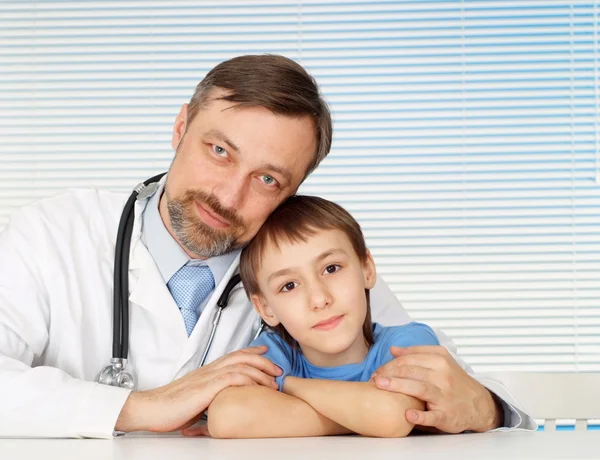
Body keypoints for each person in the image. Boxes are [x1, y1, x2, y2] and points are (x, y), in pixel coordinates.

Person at [0, 54, 534, 439]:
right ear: (181, 125)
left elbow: (446, 383)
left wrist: (483, 406)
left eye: (268, 180)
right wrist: (140, 408)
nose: (229, 196)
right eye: (219, 150)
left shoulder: (312, 268)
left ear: (294, 190)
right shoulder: (51, 234)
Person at [206, 195, 440, 438]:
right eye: (289, 285)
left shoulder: (407, 343)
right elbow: (228, 415)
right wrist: (364, 417)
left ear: (367, 269)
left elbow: (394, 415)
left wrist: (287, 385)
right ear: (266, 308)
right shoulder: (273, 353)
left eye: (331, 268)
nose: (319, 299)